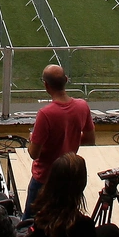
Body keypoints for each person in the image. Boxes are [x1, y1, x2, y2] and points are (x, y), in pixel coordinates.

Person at [25, 64, 94, 217]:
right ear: (66, 80)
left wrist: (33, 140)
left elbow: (33, 153)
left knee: (28, 223)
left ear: (46, 85)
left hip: (44, 179)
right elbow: (90, 139)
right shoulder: (83, 106)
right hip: (69, 177)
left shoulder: (45, 114)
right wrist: (70, 139)